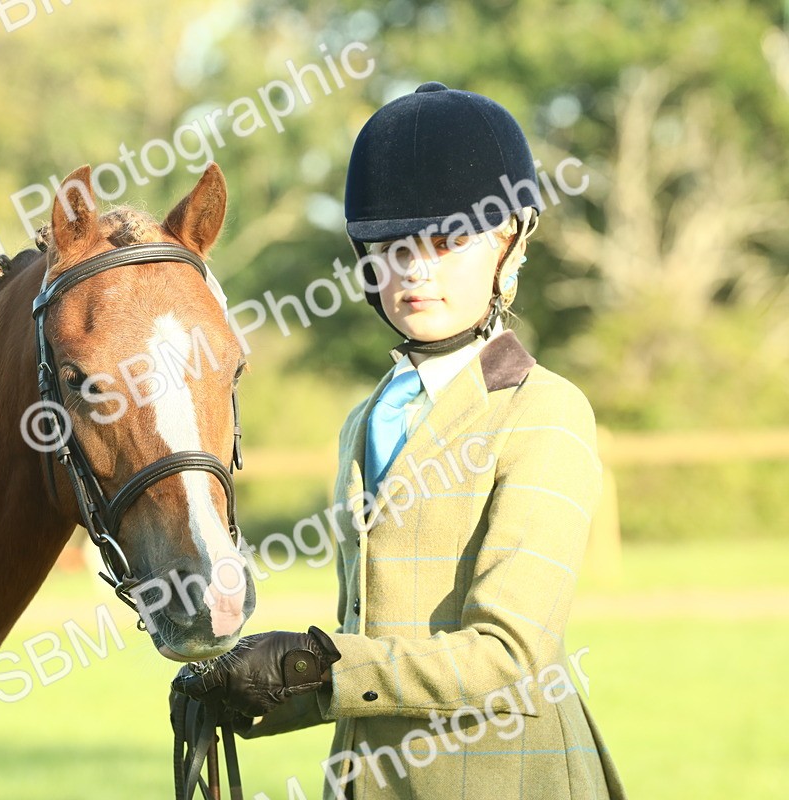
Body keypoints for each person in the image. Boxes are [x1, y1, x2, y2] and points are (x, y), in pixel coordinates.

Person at [174, 82, 627, 800]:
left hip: (505, 780)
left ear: (509, 246)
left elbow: (510, 656)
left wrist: (317, 667)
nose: (416, 270)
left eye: (449, 244)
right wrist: (249, 690)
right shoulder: (367, 419)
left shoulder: (544, 413)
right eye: (394, 247)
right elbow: (382, 643)